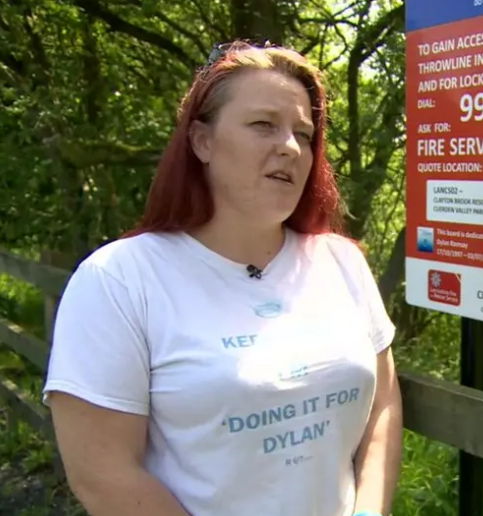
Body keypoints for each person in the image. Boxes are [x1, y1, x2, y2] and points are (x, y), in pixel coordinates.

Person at [41, 40, 402, 516]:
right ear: (201, 141)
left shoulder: (342, 262)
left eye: (305, 133)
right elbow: (103, 475)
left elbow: (383, 406)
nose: (290, 147)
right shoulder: (119, 281)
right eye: (263, 125)